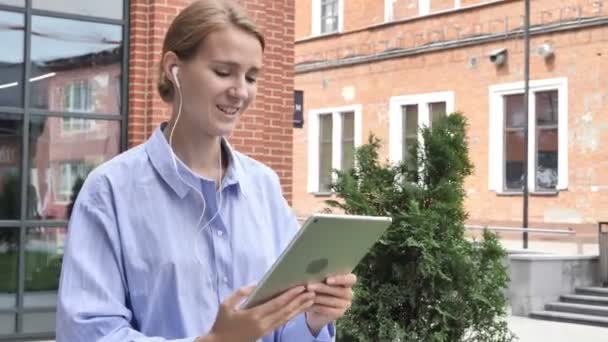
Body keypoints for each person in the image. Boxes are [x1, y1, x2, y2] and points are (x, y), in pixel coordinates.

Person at [55, 1, 356, 341]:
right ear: (174, 68)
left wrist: (313, 318)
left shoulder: (264, 187)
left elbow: (282, 329)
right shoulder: (109, 191)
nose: (240, 91)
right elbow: (90, 333)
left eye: (251, 76)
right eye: (223, 72)